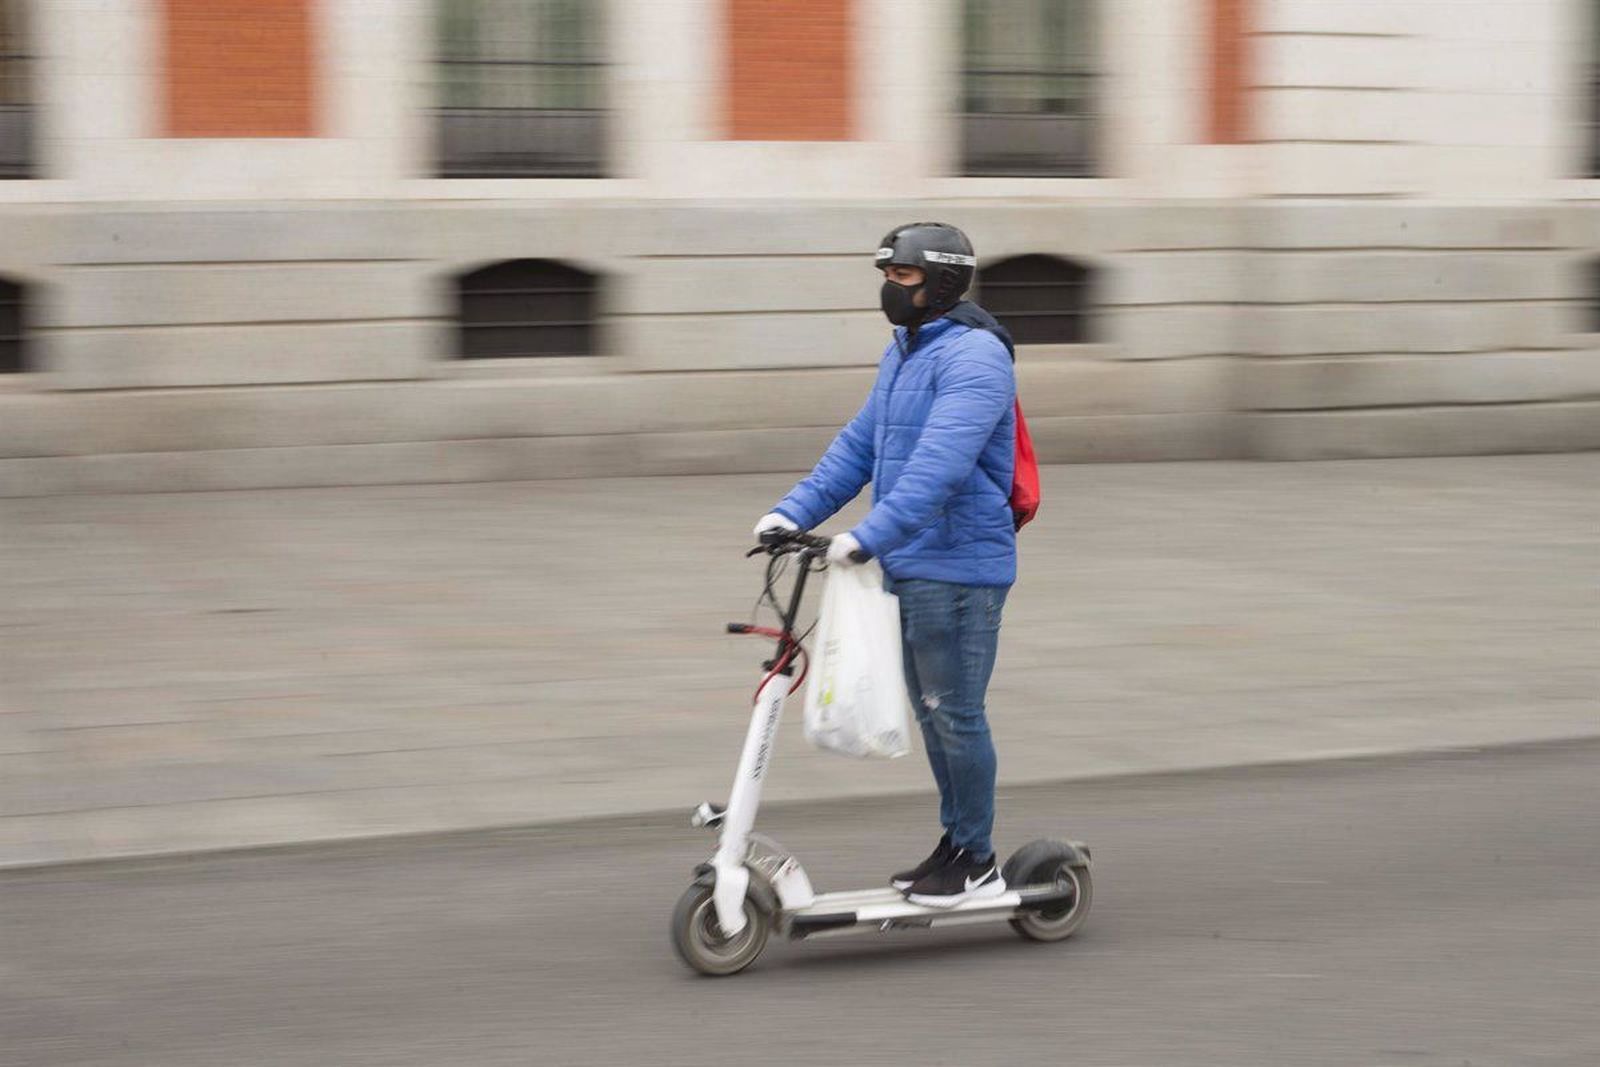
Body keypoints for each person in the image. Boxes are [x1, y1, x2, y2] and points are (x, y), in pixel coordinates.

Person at [753, 222, 1019, 908]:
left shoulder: (977, 357)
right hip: (910, 559)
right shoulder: (906, 349)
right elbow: (860, 445)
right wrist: (792, 512)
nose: (890, 289)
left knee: (955, 713)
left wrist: (866, 536)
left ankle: (978, 859)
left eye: (902, 276)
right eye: (888, 277)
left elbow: (940, 467)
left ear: (944, 282)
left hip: (958, 567)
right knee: (934, 715)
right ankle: (956, 845)